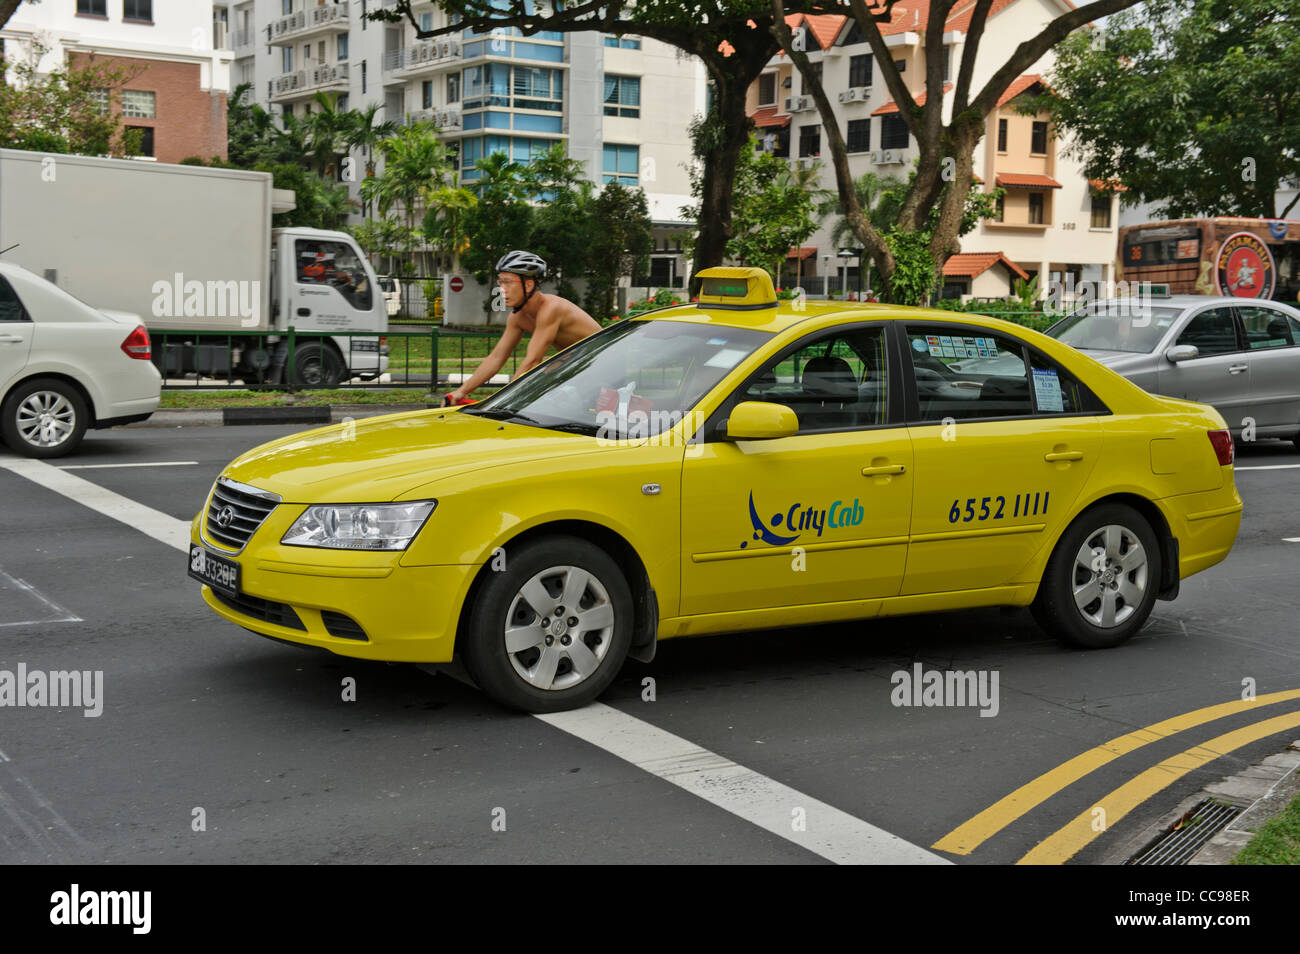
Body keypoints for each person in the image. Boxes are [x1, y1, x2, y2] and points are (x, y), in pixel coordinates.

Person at [443, 250, 602, 405]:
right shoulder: (517, 317)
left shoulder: (551, 308)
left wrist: (503, 400)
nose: (502, 289)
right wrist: (461, 392)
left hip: (605, 363)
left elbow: (532, 361)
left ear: (528, 285)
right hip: (579, 364)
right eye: (501, 282)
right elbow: (496, 358)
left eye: (508, 282)